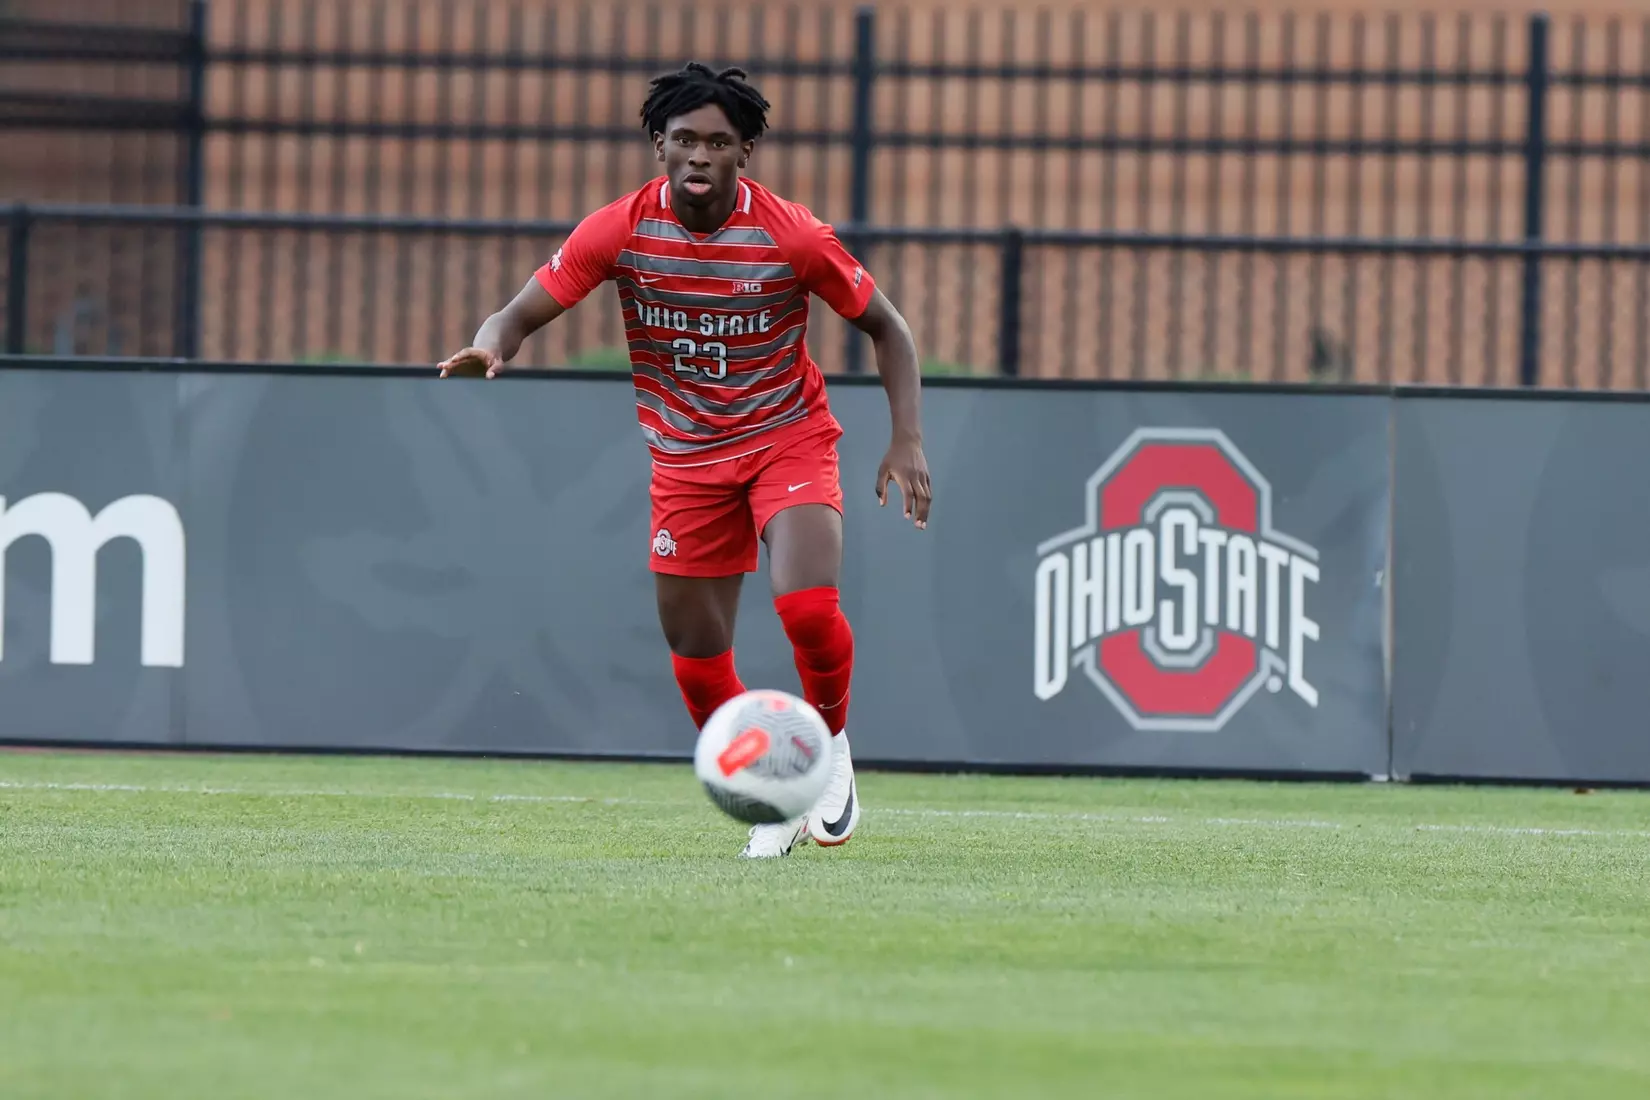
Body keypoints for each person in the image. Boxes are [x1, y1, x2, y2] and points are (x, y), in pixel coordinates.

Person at [437, 62, 931, 859]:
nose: (700, 154)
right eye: (685, 140)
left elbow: (889, 329)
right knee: (699, 662)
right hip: (687, 460)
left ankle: (831, 752)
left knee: (805, 607)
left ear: (744, 155)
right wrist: (491, 344)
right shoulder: (621, 229)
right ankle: (772, 790)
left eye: (718, 142)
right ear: (659, 147)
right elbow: (521, 310)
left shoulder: (792, 235)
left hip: (786, 438)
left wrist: (905, 437)